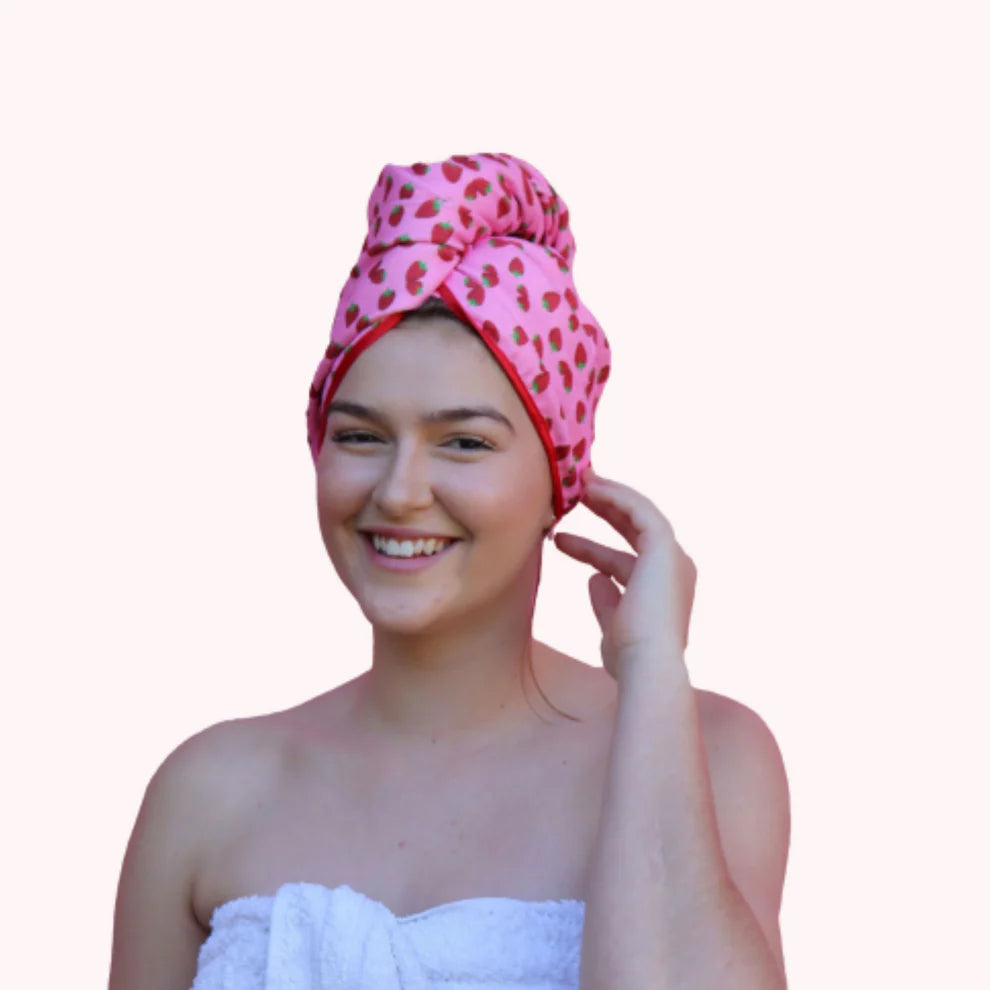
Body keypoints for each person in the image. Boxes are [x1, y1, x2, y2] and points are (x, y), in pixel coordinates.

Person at [108, 153, 791, 990]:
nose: (399, 491)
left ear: (561, 481)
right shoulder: (205, 793)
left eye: (463, 442)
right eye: (360, 436)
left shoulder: (709, 755)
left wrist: (651, 669)